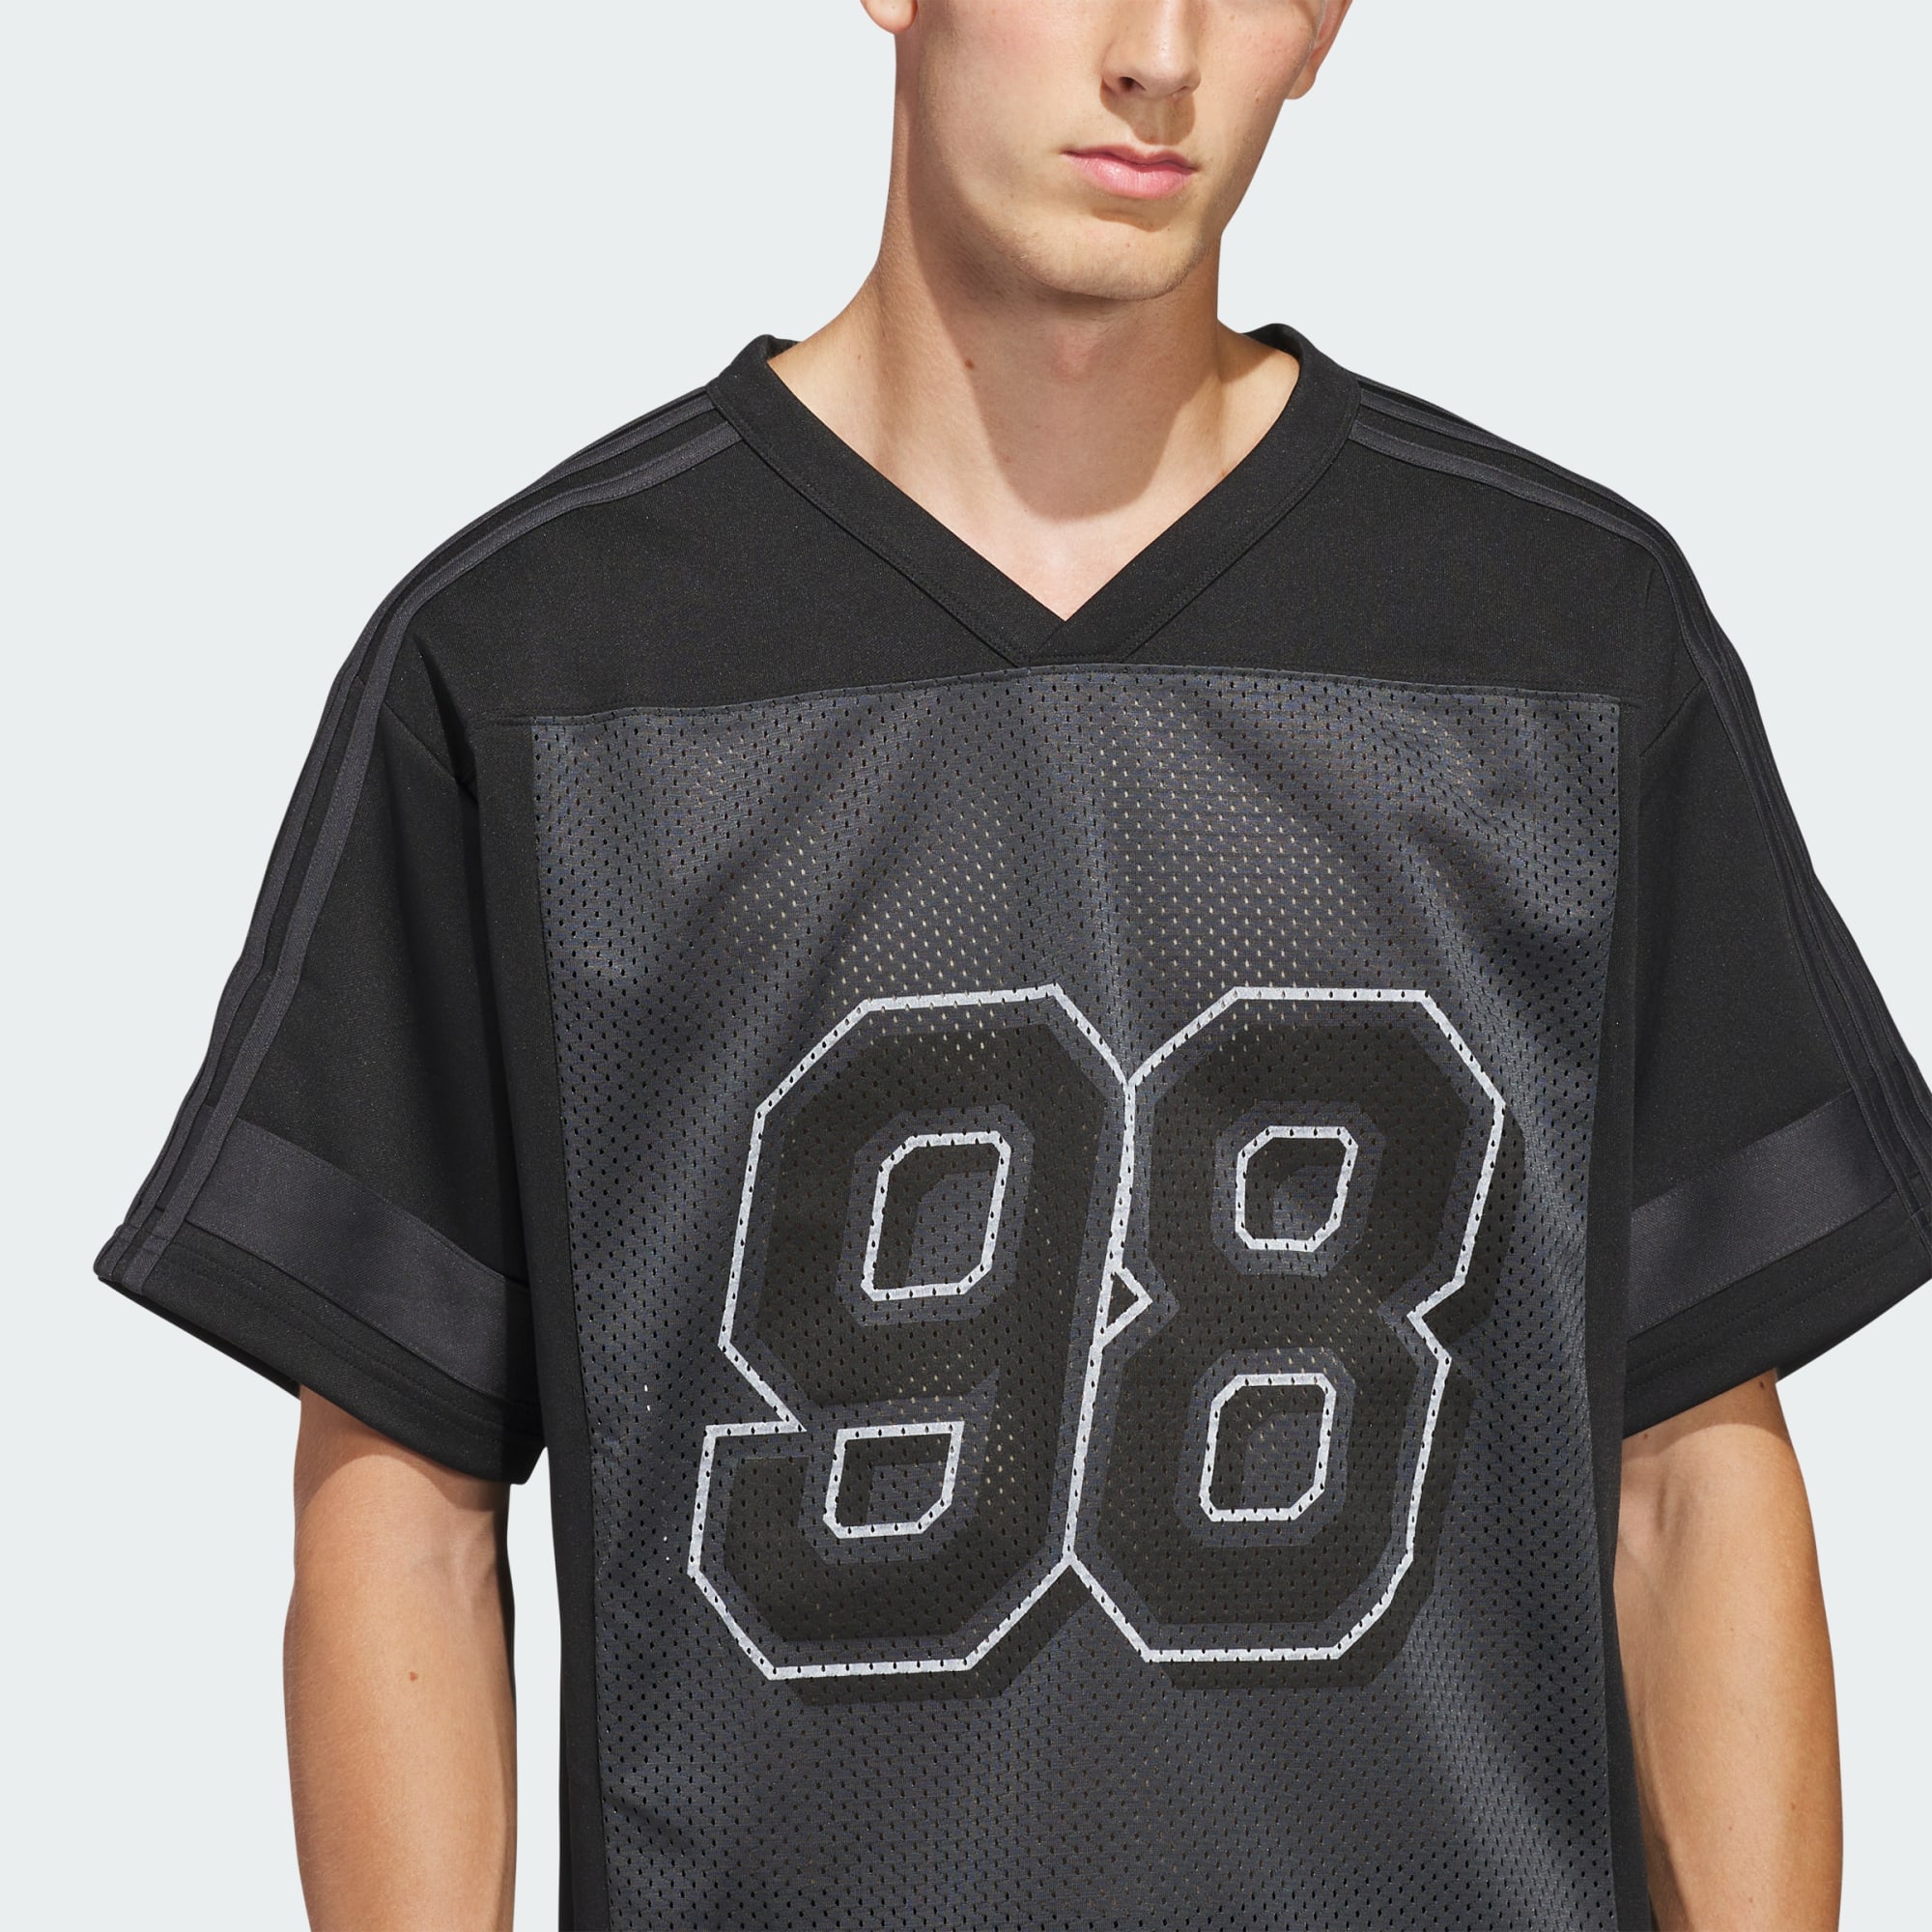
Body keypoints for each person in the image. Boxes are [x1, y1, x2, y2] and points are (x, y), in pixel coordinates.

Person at [95, 3, 1930, 1927]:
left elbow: (1690, 1476)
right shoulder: (537, 671)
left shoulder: (1562, 644)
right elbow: (404, 1509)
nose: (1160, 53)